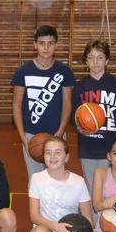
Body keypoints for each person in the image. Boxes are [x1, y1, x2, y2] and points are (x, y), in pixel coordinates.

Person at [11, 25, 76, 181]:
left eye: (50, 43)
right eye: (42, 43)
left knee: (57, 178)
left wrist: (60, 132)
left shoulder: (64, 72)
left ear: (56, 45)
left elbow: (67, 104)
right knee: (35, 180)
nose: (46, 47)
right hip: (31, 135)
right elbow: (16, 104)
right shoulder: (23, 71)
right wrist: (22, 136)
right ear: (35, 45)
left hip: (56, 133)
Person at [28, 136, 93, 232]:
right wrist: (56, 227)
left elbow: (87, 216)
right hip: (47, 231)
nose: (52, 156)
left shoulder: (78, 181)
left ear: (66, 157)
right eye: (48, 152)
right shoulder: (37, 178)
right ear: (43, 156)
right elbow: (34, 216)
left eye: (57, 152)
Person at [71, 39, 116, 190]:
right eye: (91, 58)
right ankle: (92, 215)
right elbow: (73, 115)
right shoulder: (79, 87)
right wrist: (78, 127)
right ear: (86, 61)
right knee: (91, 188)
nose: (95, 62)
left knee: (112, 187)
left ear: (107, 60)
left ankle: (110, 215)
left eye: (100, 57)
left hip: (111, 147)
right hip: (88, 146)